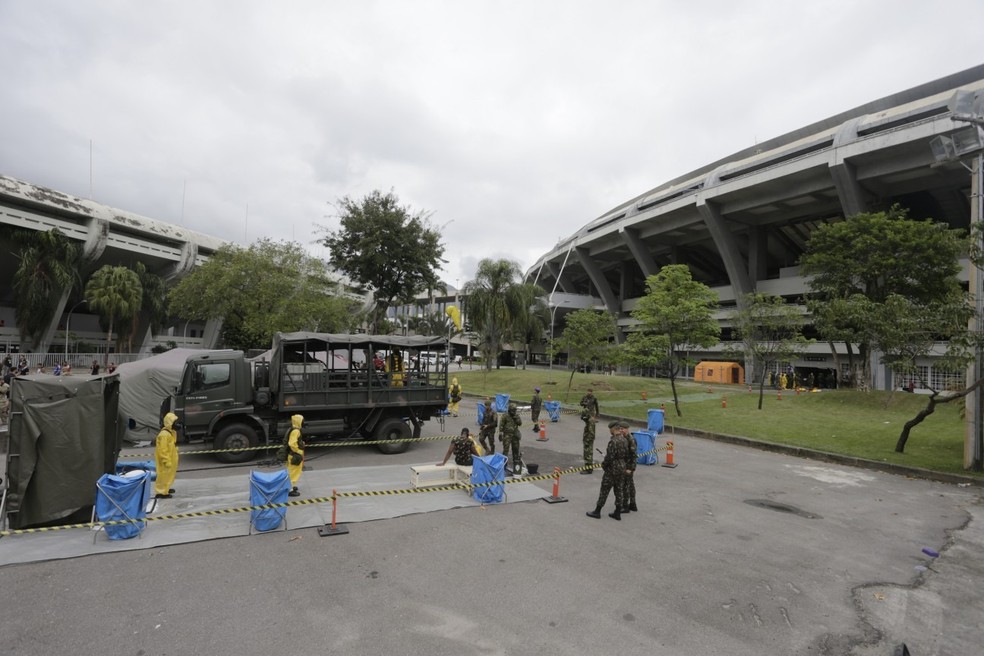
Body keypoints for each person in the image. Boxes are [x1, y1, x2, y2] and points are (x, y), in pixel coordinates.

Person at [586, 420, 629, 520]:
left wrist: (604, 465)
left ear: (613, 429)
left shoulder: (613, 441)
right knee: (619, 490)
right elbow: (626, 454)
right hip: (622, 467)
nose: (609, 431)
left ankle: (597, 511)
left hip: (612, 469)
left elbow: (609, 457)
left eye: (610, 429)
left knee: (604, 489)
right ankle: (617, 512)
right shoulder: (624, 440)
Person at [154, 412, 180, 499]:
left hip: (170, 458)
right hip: (166, 460)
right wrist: (166, 460)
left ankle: (166, 488)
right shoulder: (164, 435)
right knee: (163, 475)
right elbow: (163, 449)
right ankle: (161, 492)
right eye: (175, 422)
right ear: (170, 423)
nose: (177, 425)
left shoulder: (170, 432)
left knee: (169, 475)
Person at [618, 420, 638, 513]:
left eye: (623, 429)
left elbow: (634, 455)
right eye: (620, 429)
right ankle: (633, 504)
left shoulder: (631, 440)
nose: (621, 430)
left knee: (626, 486)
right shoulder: (624, 437)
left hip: (628, 466)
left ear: (627, 429)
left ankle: (625, 506)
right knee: (630, 485)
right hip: (625, 465)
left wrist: (631, 468)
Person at [579, 388, 600, 474]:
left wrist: (587, 440)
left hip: (588, 441)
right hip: (588, 412)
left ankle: (589, 469)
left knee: (588, 453)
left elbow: (591, 434)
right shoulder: (588, 420)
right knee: (587, 453)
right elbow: (580, 403)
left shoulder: (590, 421)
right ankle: (587, 467)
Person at [498, 402, 523, 475]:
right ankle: (504, 466)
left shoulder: (516, 415)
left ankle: (516, 466)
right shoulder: (505, 416)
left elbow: (520, 423)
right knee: (505, 450)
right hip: (507, 435)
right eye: (512, 410)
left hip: (515, 435)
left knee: (516, 450)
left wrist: (516, 418)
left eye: (514, 411)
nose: (513, 412)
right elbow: (501, 424)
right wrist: (500, 433)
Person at [284, 414, 305, 497]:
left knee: (292, 471)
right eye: (302, 420)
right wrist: (299, 451)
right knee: (293, 472)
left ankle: (291, 486)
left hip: (292, 455)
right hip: (294, 455)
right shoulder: (296, 431)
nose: (303, 422)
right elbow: (292, 444)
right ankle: (290, 489)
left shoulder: (294, 430)